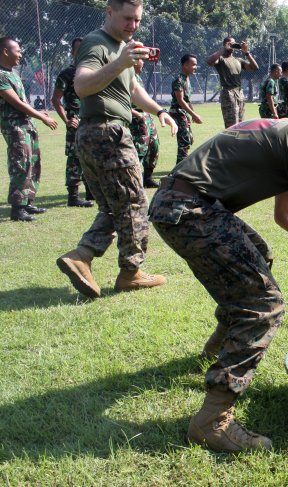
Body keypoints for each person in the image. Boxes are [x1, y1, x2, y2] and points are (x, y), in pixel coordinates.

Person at [148, 84, 288, 452]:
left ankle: (218, 346)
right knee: (265, 304)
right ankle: (212, 420)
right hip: (189, 210)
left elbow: (286, 218)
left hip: (179, 202)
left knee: (259, 254)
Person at [56, 0, 177, 299]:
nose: (132, 26)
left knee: (114, 206)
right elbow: (82, 86)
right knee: (134, 204)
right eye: (127, 19)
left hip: (95, 134)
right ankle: (131, 272)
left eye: (137, 20)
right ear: (109, 12)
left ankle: (82, 255)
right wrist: (120, 62)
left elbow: (133, 89)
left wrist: (159, 110)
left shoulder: (121, 47)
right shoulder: (97, 43)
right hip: (107, 133)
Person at [0, 37, 58, 222]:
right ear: (5, 51)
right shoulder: (1, 75)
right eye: (17, 50)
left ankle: (28, 201)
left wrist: (39, 112)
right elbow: (16, 103)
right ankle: (18, 208)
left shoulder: (13, 73)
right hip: (14, 127)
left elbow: (23, 101)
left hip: (26, 126)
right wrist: (41, 117)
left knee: (33, 161)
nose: (20, 53)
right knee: (21, 163)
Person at [51, 36, 94, 208]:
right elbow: (55, 99)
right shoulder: (67, 74)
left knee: (92, 157)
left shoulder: (94, 71)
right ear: (72, 52)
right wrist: (67, 120)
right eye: (78, 49)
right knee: (75, 158)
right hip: (76, 121)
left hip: (91, 120)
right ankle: (73, 196)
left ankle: (91, 191)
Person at [206, 37, 259, 128]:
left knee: (241, 123)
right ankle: (230, 142)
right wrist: (223, 49)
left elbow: (255, 67)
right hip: (228, 92)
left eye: (234, 44)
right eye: (229, 44)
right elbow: (209, 61)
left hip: (239, 92)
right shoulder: (221, 59)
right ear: (224, 45)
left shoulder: (238, 60)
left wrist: (246, 52)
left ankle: (238, 141)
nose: (232, 46)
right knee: (232, 124)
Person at [130, 61, 161, 188]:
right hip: (136, 120)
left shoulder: (138, 77)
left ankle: (147, 178)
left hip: (146, 118)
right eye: (139, 58)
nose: (142, 61)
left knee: (154, 147)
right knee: (139, 150)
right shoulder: (125, 77)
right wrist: (137, 114)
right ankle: (133, 181)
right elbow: (120, 101)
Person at [170, 53, 203, 166]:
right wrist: (194, 115)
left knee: (188, 140)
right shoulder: (179, 80)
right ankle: (180, 169)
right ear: (185, 65)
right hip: (178, 113)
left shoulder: (186, 79)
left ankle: (182, 166)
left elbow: (187, 100)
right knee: (184, 142)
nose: (195, 67)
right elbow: (180, 101)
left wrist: (193, 114)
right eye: (193, 65)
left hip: (183, 113)